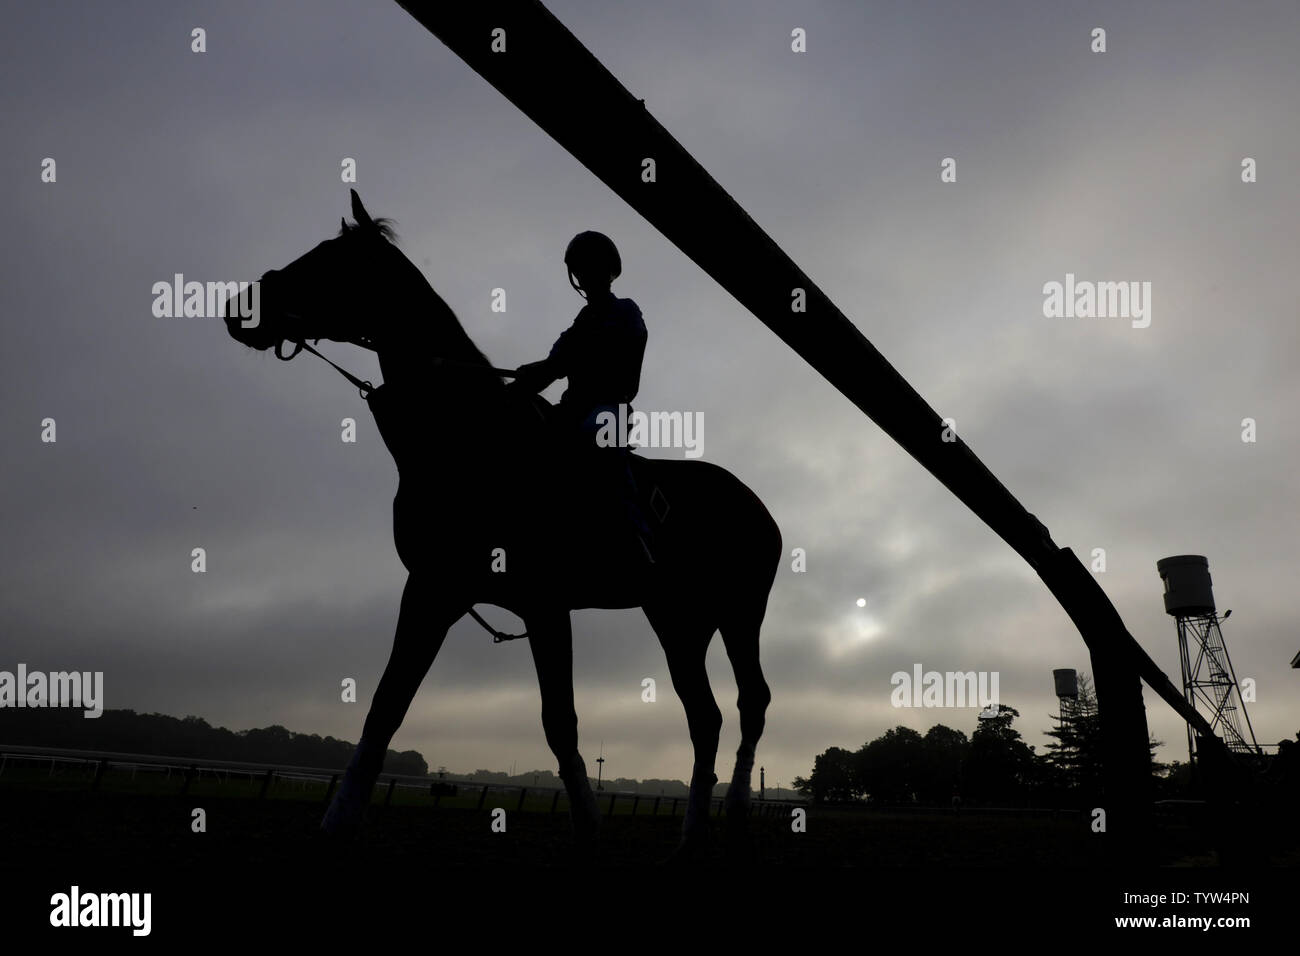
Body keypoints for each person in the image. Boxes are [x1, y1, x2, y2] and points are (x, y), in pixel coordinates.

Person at [510, 231, 653, 565]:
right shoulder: (577, 327)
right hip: (571, 409)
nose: (586, 276)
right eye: (581, 270)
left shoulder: (625, 312)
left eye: (591, 268)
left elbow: (619, 349)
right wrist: (521, 383)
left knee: (604, 451)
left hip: (610, 409)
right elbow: (551, 368)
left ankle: (637, 539)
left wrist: (561, 362)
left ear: (607, 271)